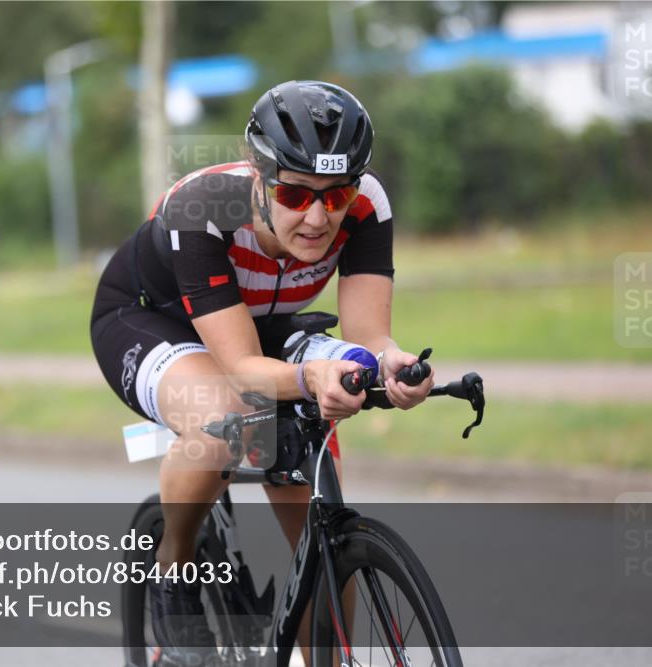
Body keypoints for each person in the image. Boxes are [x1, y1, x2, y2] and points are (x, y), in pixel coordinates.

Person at [90, 80, 434, 665]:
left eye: (337, 194)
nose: (319, 217)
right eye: (296, 195)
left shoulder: (368, 204)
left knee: (310, 491)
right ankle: (174, 571)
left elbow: (369, 338)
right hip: (150, 319)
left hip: (260, 322)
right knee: (228, 417)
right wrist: (309, 380)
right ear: (259, 176)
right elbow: (245, 371)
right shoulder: (203, 207)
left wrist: (391, 365)